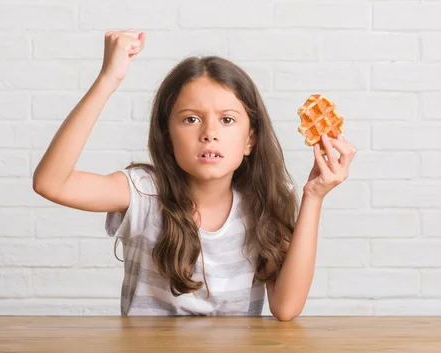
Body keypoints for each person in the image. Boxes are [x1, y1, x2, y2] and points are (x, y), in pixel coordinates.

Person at [33, 29, 357, 321]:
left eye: (227, 120)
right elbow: (51, 183)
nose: (209, 133)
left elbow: (286, 308)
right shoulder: (144, 192)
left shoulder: (261, 205)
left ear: (250, 139)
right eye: (190, 119)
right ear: (167, 134)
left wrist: (314, 195)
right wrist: (108, 78)